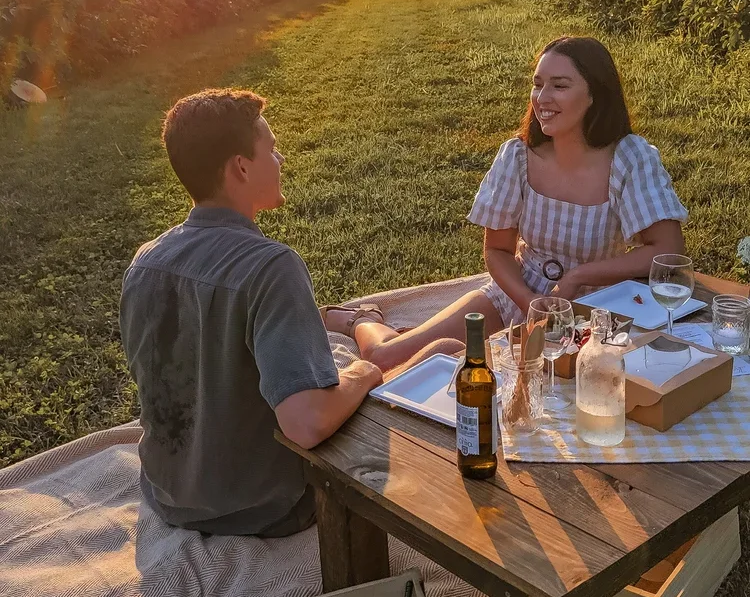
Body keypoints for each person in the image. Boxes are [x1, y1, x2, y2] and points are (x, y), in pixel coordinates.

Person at [120, 88, 385, 538]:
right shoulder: (270, 267)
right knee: (374, 402)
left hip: (167, 495)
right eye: (273, 150)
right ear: (241, 167)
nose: (280, 161)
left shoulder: (145, 261)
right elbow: (306, 424)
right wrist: (365, 372)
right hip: (266, 508)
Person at [338, 36, 688, 373]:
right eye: (538, 84)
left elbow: (668, 250)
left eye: (560, 86)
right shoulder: (518, 156)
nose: (542, 98)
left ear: (595, 94)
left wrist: (578, 277)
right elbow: (498, 251)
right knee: (387, 360)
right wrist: (528, 302)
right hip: (518, 291)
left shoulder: (630, 157)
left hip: (601, 307)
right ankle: (363, 319)